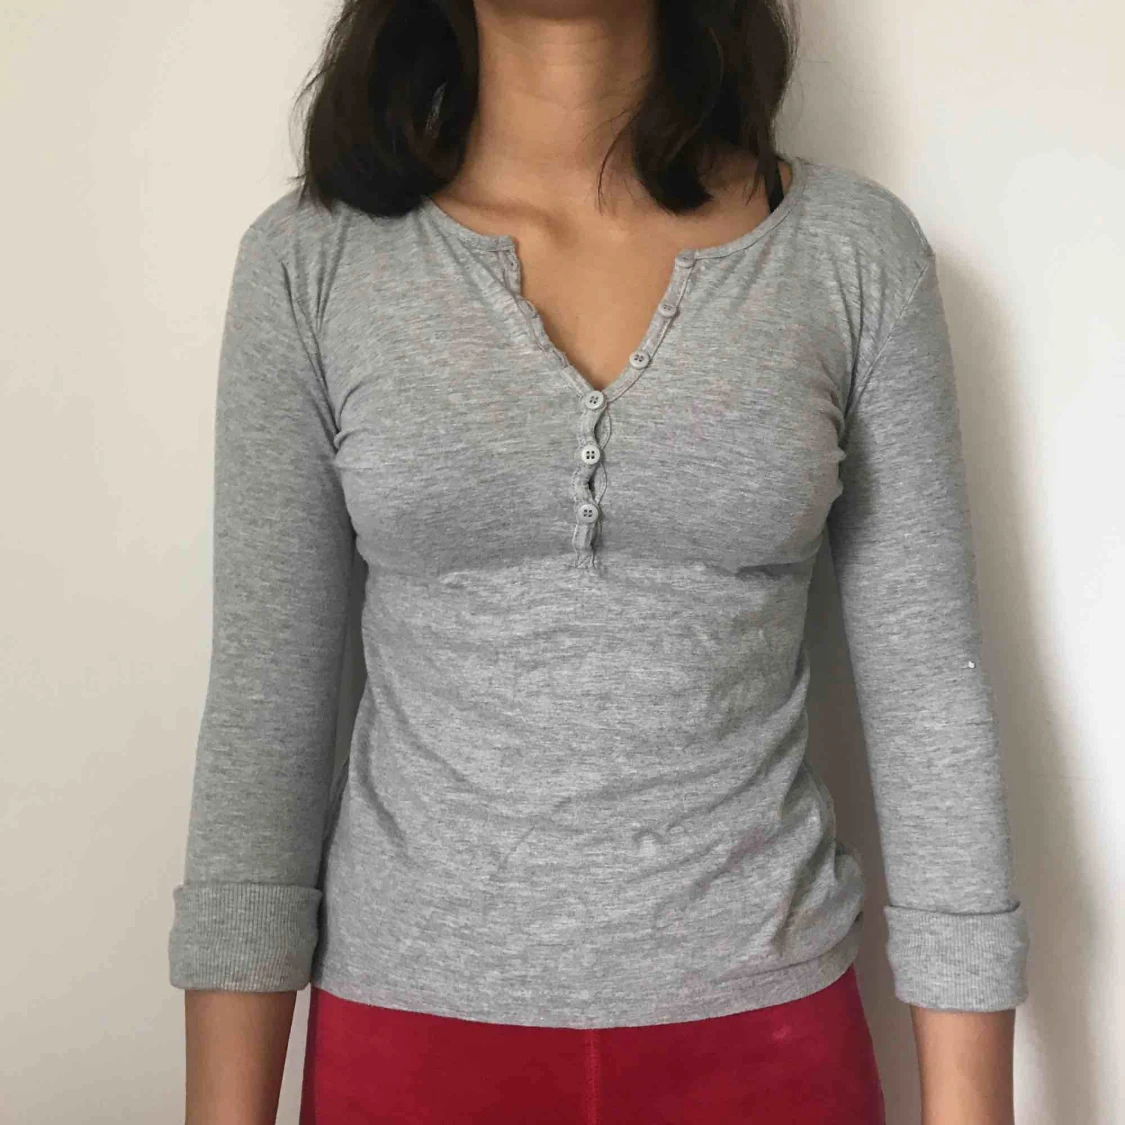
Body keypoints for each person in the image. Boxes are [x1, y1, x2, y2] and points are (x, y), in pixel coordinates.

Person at [168, 1, 1030, 1122]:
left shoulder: (849, 254)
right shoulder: (313, 261)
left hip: (769, 1039)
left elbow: (927, 705)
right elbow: (263, 717)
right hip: (409, 1041)